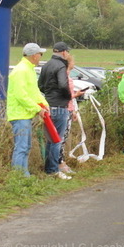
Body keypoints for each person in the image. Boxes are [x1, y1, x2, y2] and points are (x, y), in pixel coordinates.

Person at [6, 43, 49, 177]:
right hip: (19, 115)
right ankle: (19, 176)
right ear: (34, 55)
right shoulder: (21, 70)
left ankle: (23, 174)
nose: (41, 56)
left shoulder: (29, 69)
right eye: (40, 54)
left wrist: (44, 104)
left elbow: (34, 92)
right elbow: (21, 95)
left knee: (26, 147)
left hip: (25, 114)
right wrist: (37, 108)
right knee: (22, 147)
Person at [38, 41, 73, 179]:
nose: (68, 54)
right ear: (64, 52)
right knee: (57, 139)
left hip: (48, 106)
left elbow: (40, 85)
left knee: (50, 139)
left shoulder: (46, 65)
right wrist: (68, 97)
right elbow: (63, 85)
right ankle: (52, 170)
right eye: (67, 52)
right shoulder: (61, 65)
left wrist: (49, 94)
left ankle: (49, 168)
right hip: (59, 106)